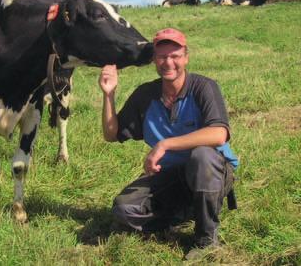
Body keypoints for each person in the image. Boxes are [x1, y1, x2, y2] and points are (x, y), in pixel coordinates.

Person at [98, 27, 238, 258]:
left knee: (202, 156)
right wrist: (108, 95)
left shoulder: (203, 87)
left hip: (213, 171)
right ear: (154, 59)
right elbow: (111, 134)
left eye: (175, 56)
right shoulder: (145, 94)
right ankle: (188, 210)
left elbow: (218, 134)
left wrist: (164, 144)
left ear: (186, 58)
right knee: (123, 209)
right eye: (162, 56)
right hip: (171, 177)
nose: (168, 62)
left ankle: (206, 239)